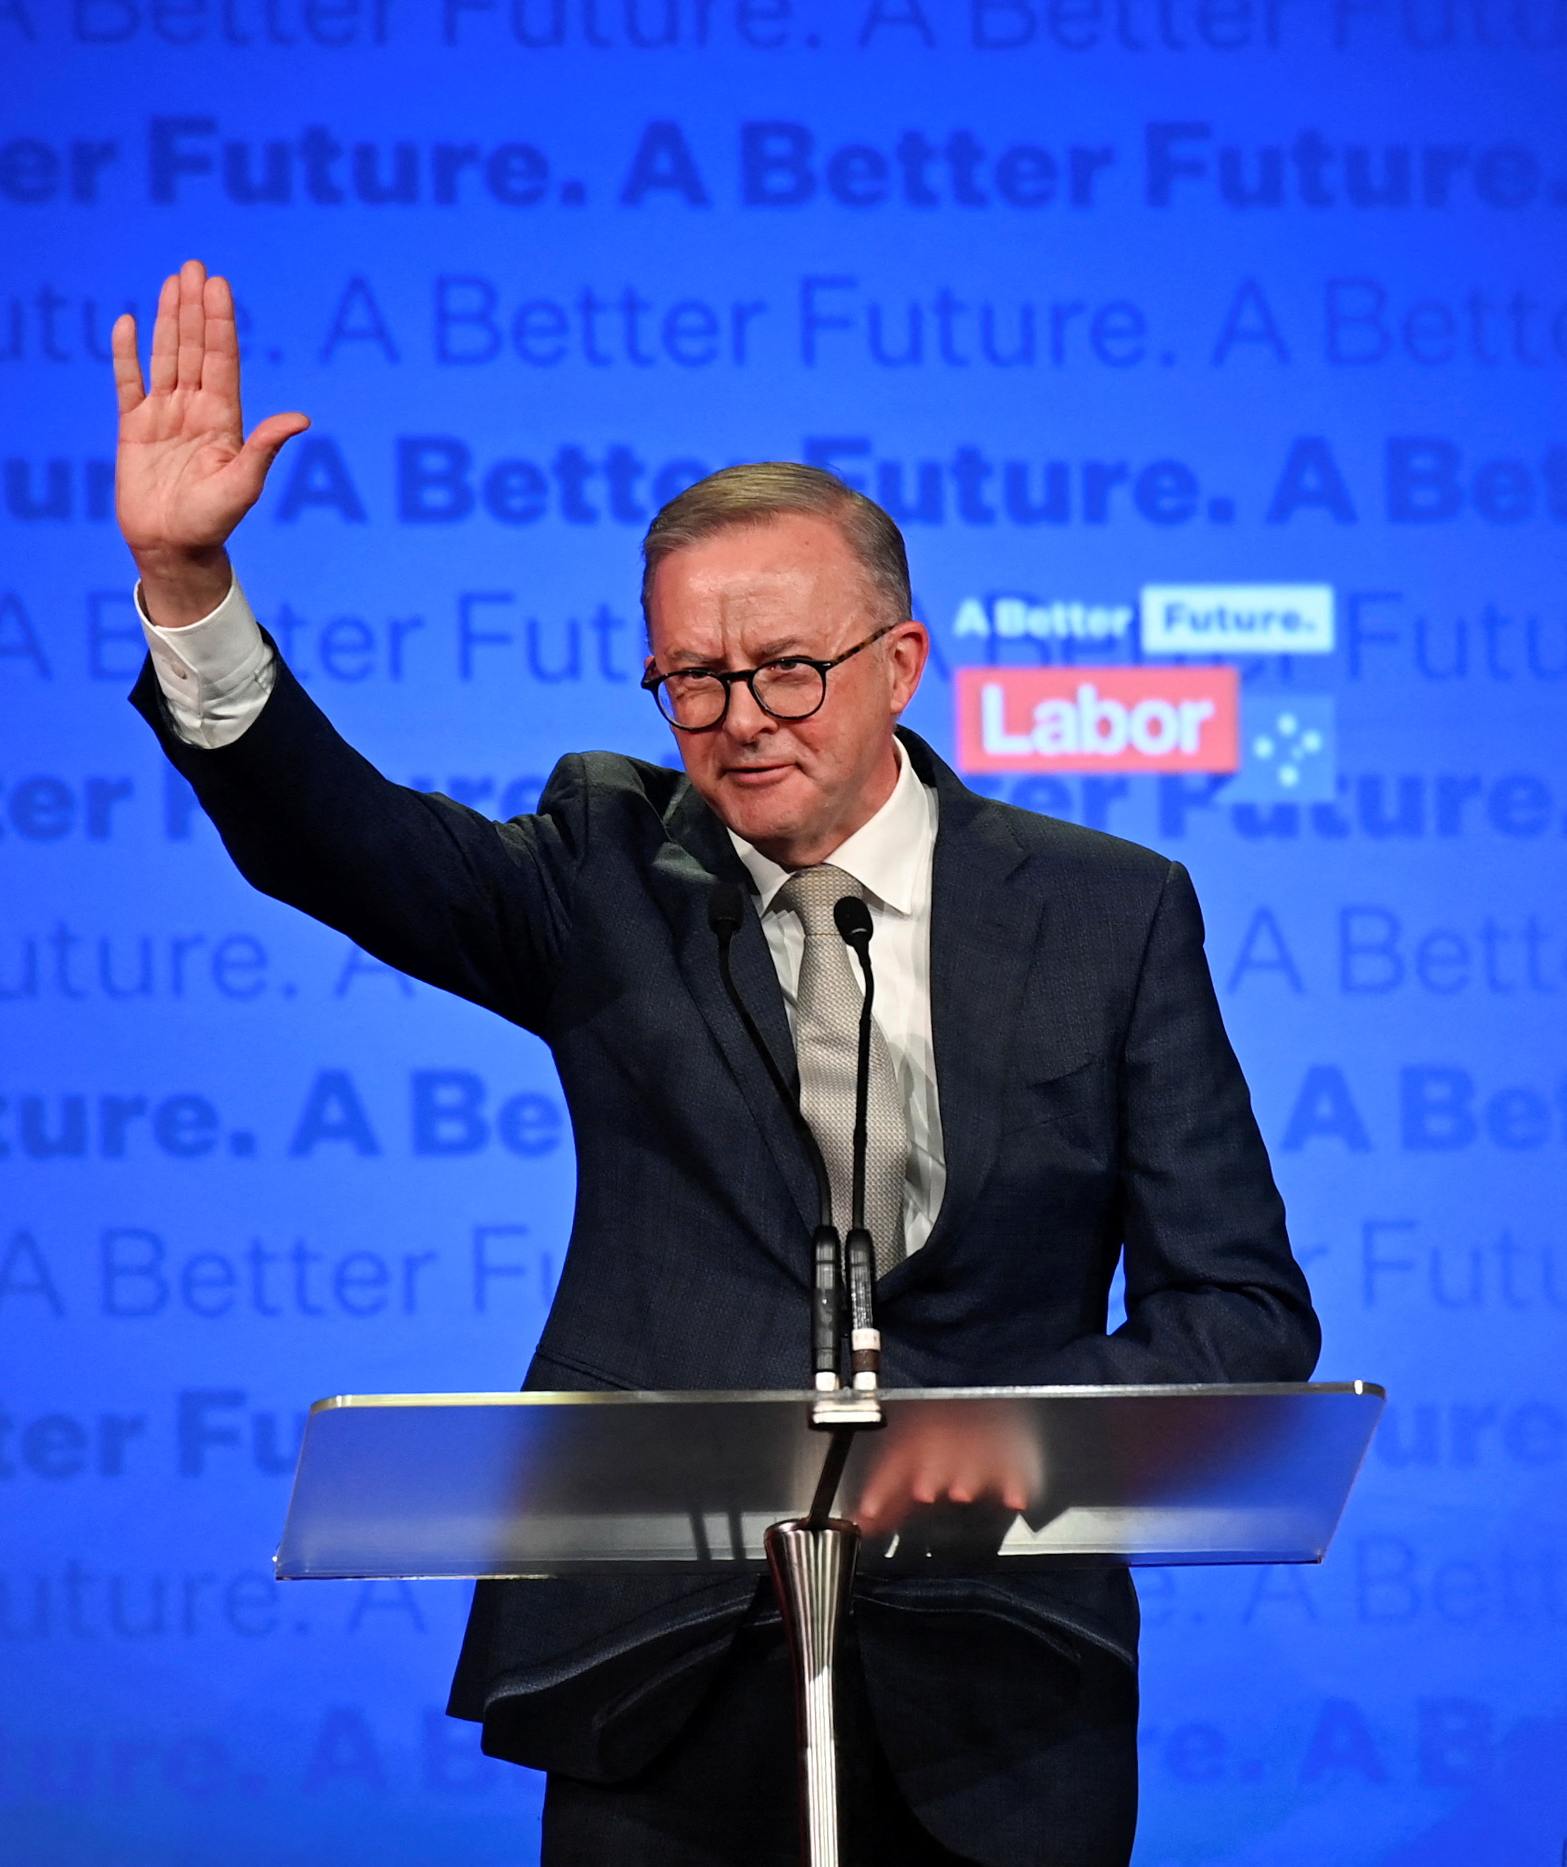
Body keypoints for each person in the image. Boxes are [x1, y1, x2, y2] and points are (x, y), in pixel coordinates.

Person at [107, 262, 1319, 1866]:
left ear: (900, 661)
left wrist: (1024, 1419)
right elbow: (334, 841)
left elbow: (1239, 1314)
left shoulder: (1105, 913)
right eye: (691, 678)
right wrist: (190, 582)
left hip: (1002, 1690)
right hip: (659, 1667)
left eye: (785, 670)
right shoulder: (603, 868)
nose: (738, 719)